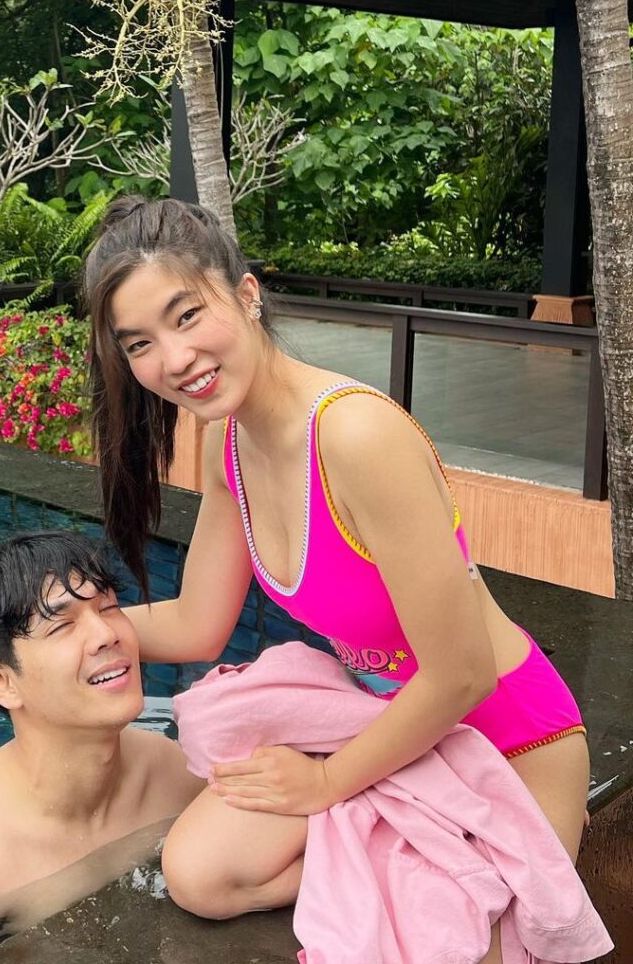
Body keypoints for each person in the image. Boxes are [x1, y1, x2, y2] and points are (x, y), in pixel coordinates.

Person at [82, 196, 590, 958]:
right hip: (374, 723)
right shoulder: (229, 445)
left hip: (502, 736)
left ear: (246, 295)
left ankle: (400, 865)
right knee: (199, 875)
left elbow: (462, 674)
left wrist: (326, 785)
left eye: (187, 316)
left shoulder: (357, 435)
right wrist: (78, 634)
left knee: (444, 942)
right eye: (141, 344)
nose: (174, 359)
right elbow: (198, 623)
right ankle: (378, 864)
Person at [0, 531, 204, 957]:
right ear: (3, 682)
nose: (107, 633)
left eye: (108, 607)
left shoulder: (176, 775)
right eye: (63, 625)